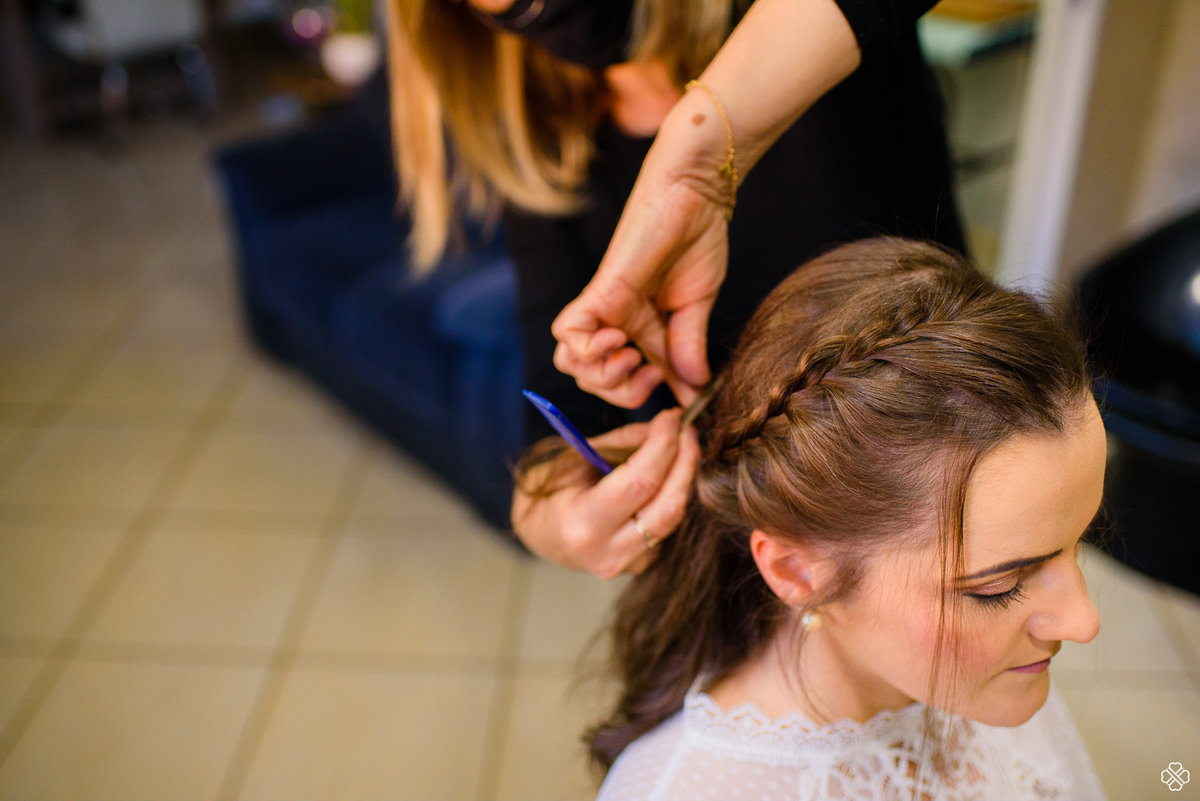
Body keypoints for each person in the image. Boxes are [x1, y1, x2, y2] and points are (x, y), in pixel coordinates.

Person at [384, 0, 965, 574]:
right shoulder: (547, 133)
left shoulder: (799, 34)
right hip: (765, 537)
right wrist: (545, 511)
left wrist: (701, 153)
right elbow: (560, 404)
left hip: (944, 460)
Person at [517, 238, 1108, 800]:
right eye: (999, 587)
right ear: (797, 571)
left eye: (1077, 541)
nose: (1083, 622)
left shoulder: (996, 677)